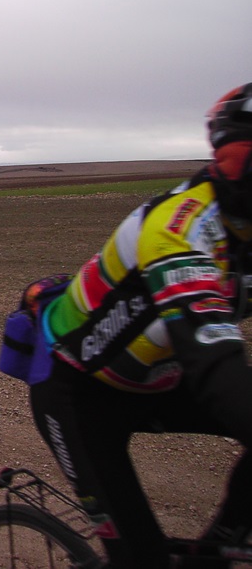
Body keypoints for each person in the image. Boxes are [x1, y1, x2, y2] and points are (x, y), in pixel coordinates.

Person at [30, 84, 252, 568]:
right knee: (139, 557)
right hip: (76, 393)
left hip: (158, 381)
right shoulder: (180, 228)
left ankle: (218, 549)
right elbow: (213, 358)